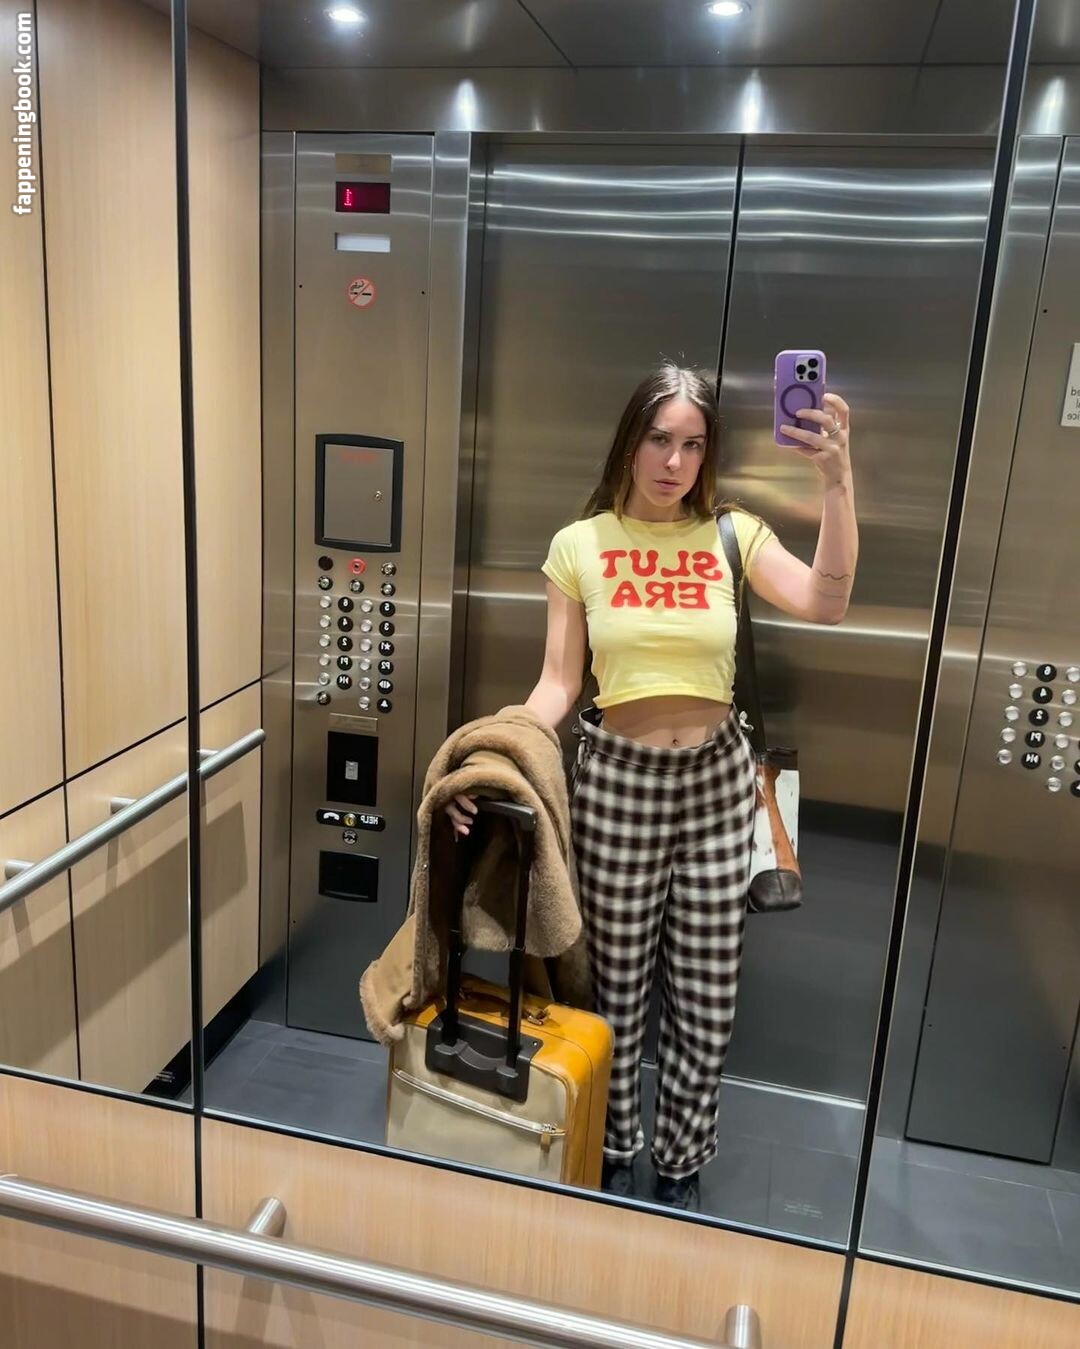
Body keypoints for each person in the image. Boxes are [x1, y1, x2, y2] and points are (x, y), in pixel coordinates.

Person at [446, 363, 857, 1210]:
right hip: (618, 785)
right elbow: (559, 684)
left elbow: (826, 602)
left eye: (693, 445)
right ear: (629, 441)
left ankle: (680, 1166)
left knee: (707, 999)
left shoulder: (733, 533)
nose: (674, 461)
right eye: (659, 439)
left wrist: (837, 481)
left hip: (716, 786)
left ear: (709, 454)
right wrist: (489, 757)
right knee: (613, 991)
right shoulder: (581, 544)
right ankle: (612, 1149)